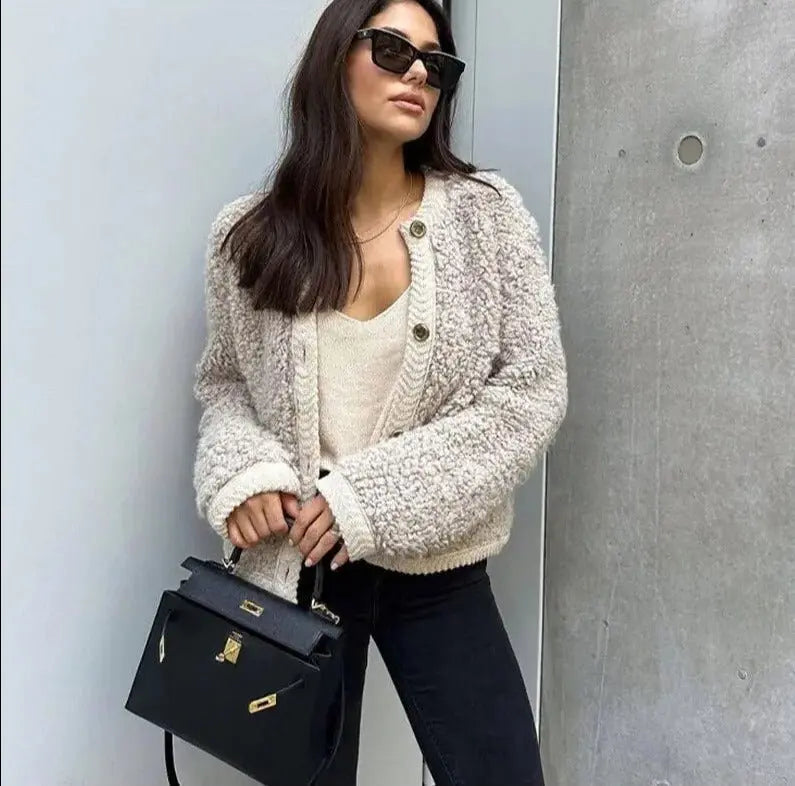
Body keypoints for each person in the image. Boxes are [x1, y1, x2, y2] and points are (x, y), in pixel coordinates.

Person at [192, 0, 568, 783]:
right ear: (336, 56)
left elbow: (531, 391)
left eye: (437, 62)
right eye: (394, 50)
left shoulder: (485, 217)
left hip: (437, 570)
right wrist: (245, 476)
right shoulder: (249, 234)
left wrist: (369, 498)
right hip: (295, 570)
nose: (419, 73)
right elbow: (225, 384)